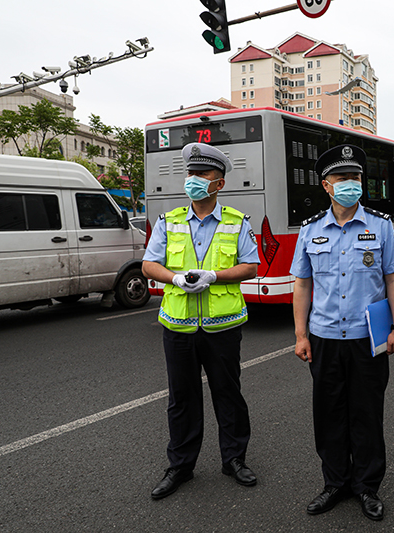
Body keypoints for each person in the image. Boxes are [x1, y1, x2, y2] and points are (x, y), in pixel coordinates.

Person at [290, 144, 394, 522]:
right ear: (326, 185)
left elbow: (393, 280)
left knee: (367, 414)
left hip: (368, 337)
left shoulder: (380, 225)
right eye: (342, 178)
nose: (350, 184)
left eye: (355, 177)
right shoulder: (310, 230)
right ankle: (335, 483)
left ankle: (367, 487)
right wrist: (301, 335)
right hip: (324, 337)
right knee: (329, 414)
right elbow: (303, 286)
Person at [142, 142, 260, 499]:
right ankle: (181, 466)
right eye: (190, 174)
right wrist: (175, 278)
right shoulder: (169, 220)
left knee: (228, 394)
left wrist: (214, 275)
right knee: (182, 398)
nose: (193, 180)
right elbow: (149, 264)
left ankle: (234, 459)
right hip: (178, 326)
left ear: (219, 183)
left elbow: (250, 266)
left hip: (222, 325)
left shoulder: (237, 222)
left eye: (202, 175)